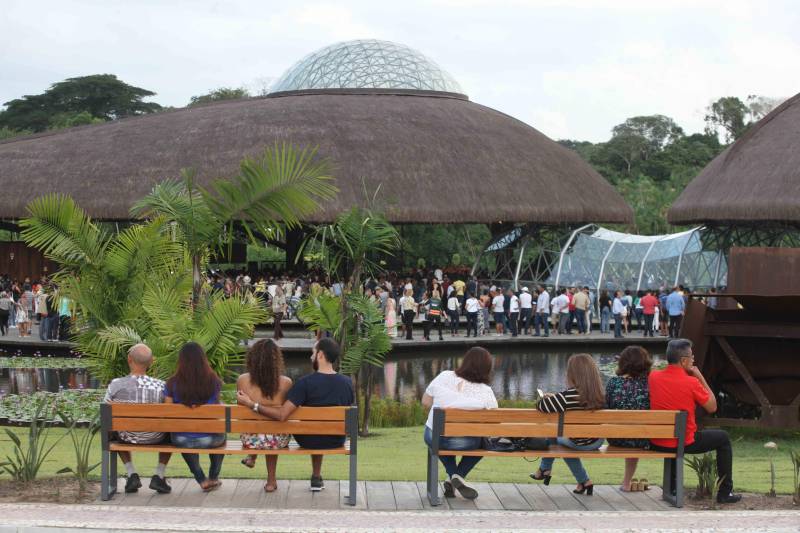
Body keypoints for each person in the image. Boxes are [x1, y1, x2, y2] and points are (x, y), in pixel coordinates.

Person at [237, 338, 354, 492]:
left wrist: (253, 404)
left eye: (313, 353)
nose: (310, 356)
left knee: (312, 429)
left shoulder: (304, 383)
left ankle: (259, 464)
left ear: (320, 355)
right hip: (336, 439)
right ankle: (316, 476)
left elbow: (277, 414)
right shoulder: (347, 382)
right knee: (312, 427)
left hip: (306, 439)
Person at [649, 339, 741, 503]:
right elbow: (712, 407)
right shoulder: (691, 382)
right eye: (691, 357)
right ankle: (725, 492)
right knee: (723, 438)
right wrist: (699, 376)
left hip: (657, 441)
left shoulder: (653, 377)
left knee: (674, 436)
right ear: (683, 361)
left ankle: (672, 488)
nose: (694, 360)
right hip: (684, 442)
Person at [422, 347, 497, 500]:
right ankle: (457, 475)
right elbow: (493, 421)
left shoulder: (444, 376)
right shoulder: (486, 392)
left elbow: (425, 402)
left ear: (465, 361)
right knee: (484, 442)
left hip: (432, 436)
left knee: (440, 441)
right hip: (464, 442)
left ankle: (452, 477)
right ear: (487, 368)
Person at [103, 343, 173, 494]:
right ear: (151, 362)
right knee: (171, 429)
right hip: (156, 437)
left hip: (126, 436)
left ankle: (131, 473)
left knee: (116, 427)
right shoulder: (162, 386)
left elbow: (105, 411)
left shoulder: (116, 385)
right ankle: (159, 475)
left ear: (129, 359)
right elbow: (170, 414)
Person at [531, 353, 604, 495]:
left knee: (555, 436)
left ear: (572, 375)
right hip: (597, 441)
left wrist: (550, 397)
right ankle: (583, 482)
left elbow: (541, 406)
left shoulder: (567, 397)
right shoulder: (600, 394)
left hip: (578, 442)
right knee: (559, 438)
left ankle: (545, 469)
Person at [165, 342, 225, 492]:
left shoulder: (171, 384)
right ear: (203, 359)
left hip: (181, 439)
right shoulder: (214, 382)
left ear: (181, 360)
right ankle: (213, 477)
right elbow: (216, 413)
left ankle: (201, 479)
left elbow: (168, 413)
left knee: (183, 435)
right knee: (221, 430)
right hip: (210, 440)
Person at [236, 339, 293, 492]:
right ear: (276, 360)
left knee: (258, 427)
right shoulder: (286, 382)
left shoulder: (242, 380)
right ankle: (271, 480)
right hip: (277, 440)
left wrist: (252, 403)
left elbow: (242, 413)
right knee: (273, 430)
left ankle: (252, 456)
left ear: (252, 358)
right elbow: (283, 413)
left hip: (250, 440)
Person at [605, 346, 652, 492]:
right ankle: (626, 483)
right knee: (635, 432)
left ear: (623, 363)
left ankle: (626, 483)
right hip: (643, 438)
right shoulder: (650, 383)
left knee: (629, 430)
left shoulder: (613, 383)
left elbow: (606, 406)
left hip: (616, 437)